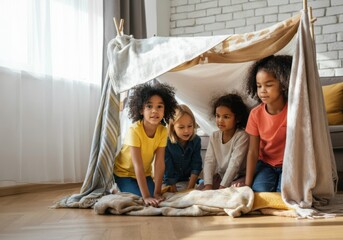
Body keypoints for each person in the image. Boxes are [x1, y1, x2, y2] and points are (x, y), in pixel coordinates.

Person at [113, 82, 178, 207]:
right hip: (124, 173)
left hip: (145, 174)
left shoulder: (163, 131)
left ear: (165, 110)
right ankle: (117, 189)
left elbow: (159, 163)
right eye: (149, 106)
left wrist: (157, 191)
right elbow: (138, 165)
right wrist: (146, 196)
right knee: (141, 198)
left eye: (159, 106)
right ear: (141, 110)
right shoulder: (134, 130)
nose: (154, 110)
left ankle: (139, 191)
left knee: (156, 197)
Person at [244, 55, 292, 192]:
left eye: (269, 85)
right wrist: (247, 184)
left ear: (283, 85)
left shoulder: (293, 111)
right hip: (266, 165)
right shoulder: (255, 114)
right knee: (259, 191)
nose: (262, 91)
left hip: (290, 164)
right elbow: (253, 151)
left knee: (285, 194)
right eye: (259, 86)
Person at [200, 93, 249, 190]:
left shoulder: (242, 136)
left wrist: (222, 187)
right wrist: (208, 185)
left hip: (238, 177)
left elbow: (235, 164)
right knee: (200, 191)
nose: (220, 120)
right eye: (218, 116)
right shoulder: (214, 136)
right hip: (221, 177)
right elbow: (209, 161)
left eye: (226, 117)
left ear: (238, 118)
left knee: (233, 193)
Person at [163, 104, 202, 192]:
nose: (186, 131)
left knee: (203, 184)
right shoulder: (166, 142)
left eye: (190, 126)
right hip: (169, 180)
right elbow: (168, 168)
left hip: (187, 179)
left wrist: (189, 189)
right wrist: (175, 192)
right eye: (181, 127)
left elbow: (196, 165)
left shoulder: (196, 140)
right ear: (173, 127)